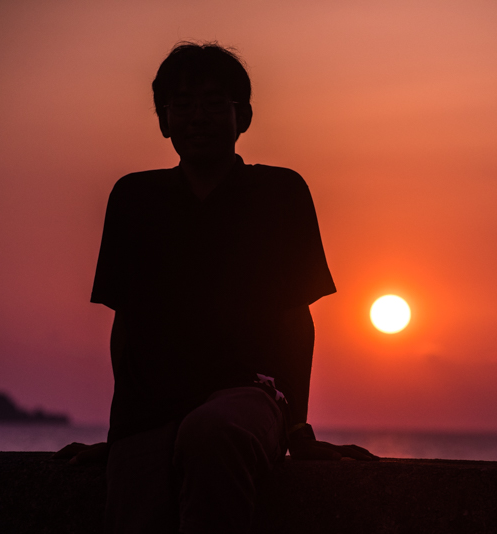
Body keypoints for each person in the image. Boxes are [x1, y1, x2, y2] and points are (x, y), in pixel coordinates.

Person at [54, 42, 377, 534]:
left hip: (251, 396)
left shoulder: (279, 193)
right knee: (135, 498)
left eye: (212, 103)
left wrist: (297, 430)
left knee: (212, 433)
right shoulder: (134, 198)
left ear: (242, 115)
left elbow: (295, 317)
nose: (197, 118)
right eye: (181, 106)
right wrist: (120, 437)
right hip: (152, 410)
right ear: (163, 120)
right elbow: (128, 323)